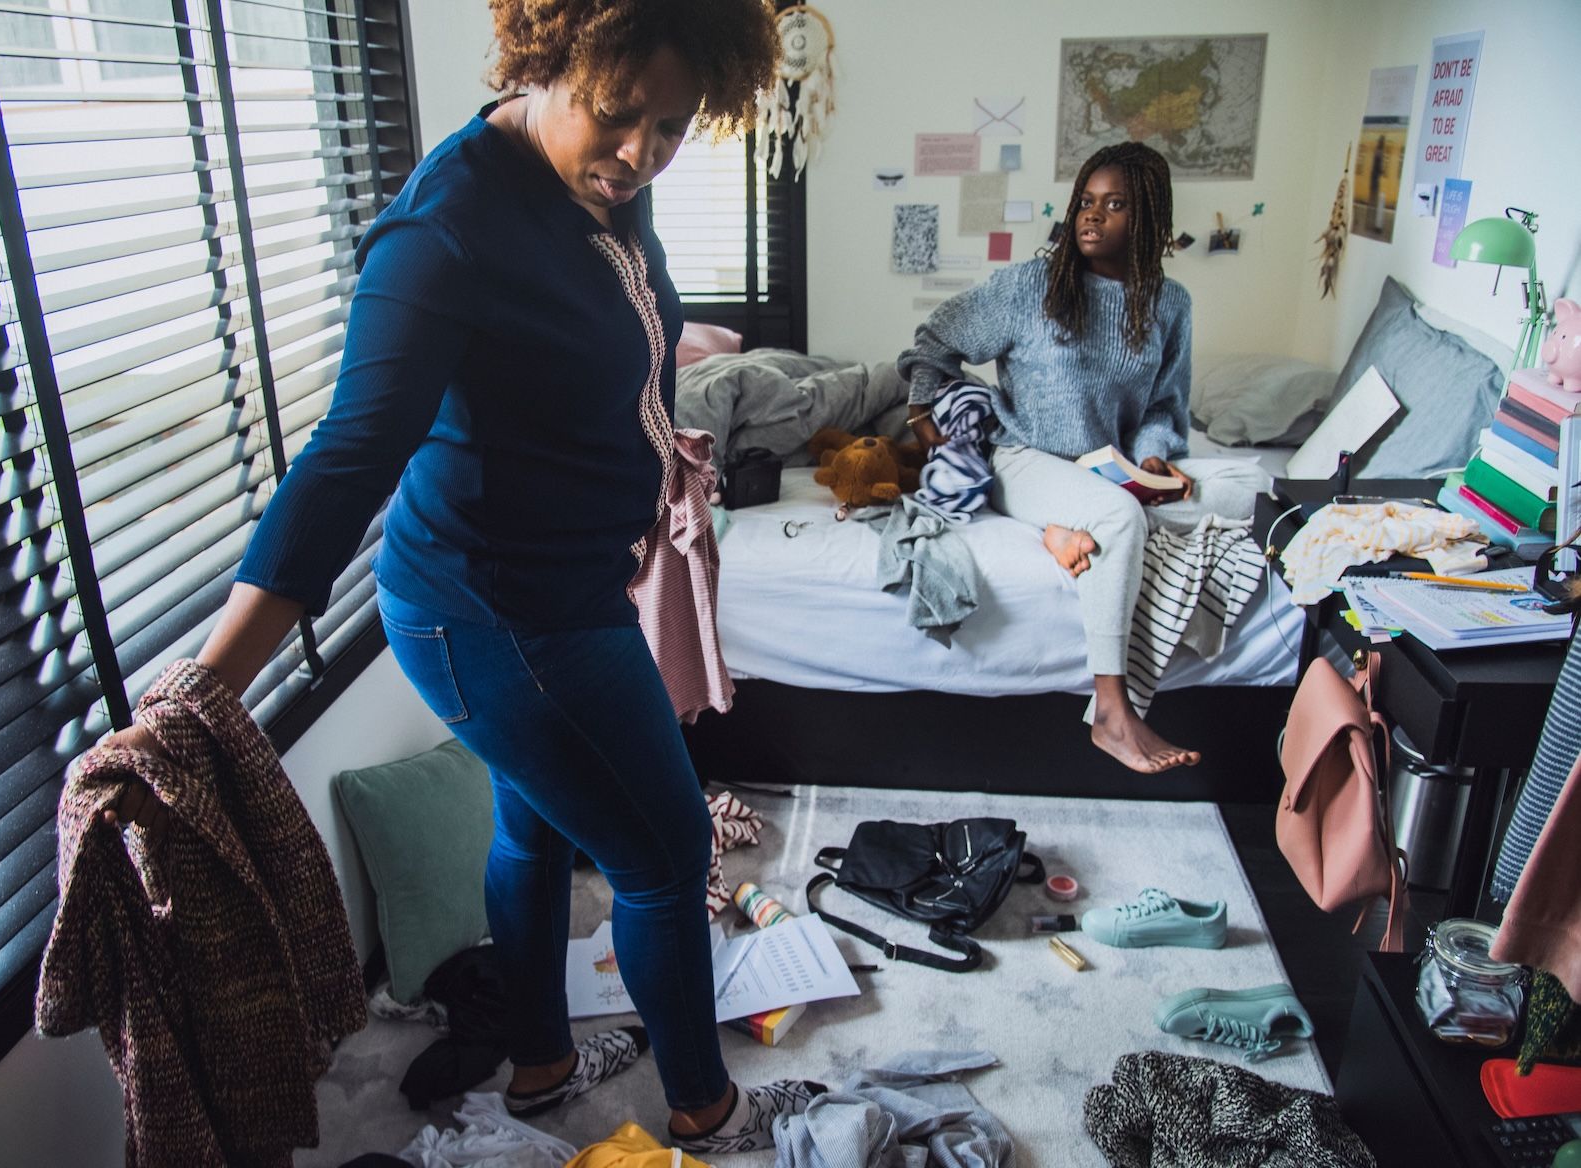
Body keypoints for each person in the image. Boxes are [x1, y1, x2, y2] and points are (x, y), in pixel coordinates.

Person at [101, 0, 821, 1154]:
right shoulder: (445, 232)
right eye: (618, 115)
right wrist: (203, 693)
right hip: (498, 613)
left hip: (557, 587)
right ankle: (710, 1108)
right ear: (553, 56)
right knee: (666, 848)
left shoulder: (600, 188)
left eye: (675, 127)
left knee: (534, 832)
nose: (640, 153)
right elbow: (344, 462)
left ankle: (538, 1064)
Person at [899, 142, 1255, 775]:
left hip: (1104, 468)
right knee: (1120, 519)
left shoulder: (1170, 304)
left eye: (1115, 205)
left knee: (1241, 495)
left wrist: (1154, 459)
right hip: (1024, 456)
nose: (1093, 217)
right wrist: (926, 421)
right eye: (1086, 202)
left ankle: (1058, 533)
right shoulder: (1033, 286)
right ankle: (1115, 712)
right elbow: (937, 338)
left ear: (1146, 218)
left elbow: (1164, 403)